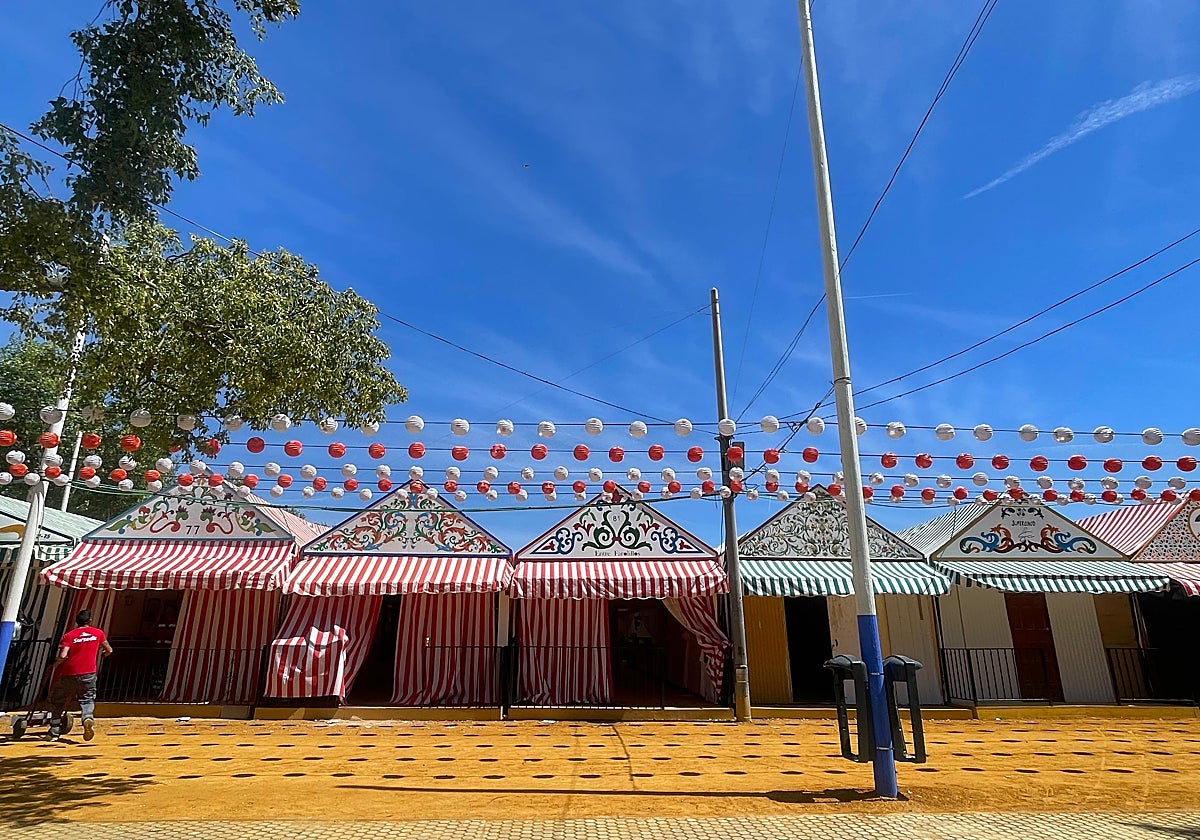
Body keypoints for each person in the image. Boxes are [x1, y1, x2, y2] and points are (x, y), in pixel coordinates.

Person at [48, 610, 113, 741]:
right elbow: (109, 650)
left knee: (58, 699)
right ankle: (87, 718)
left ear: (77, 621)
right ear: (90, 621)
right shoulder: (98, 633)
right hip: (88, 672)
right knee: (87, 698)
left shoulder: (69, 635)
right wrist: (104, 654)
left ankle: (54, 729)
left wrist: (55, 664)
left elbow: (63, 655)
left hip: (69, 672)